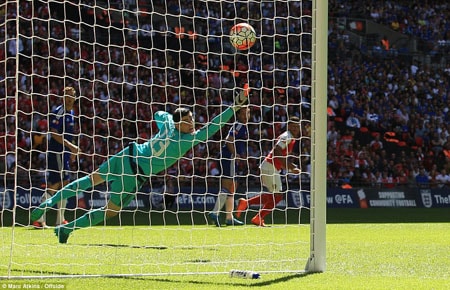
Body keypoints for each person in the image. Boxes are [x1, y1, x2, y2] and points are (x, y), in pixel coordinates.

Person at [31, 84, 249, 243]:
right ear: (181, 123)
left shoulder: (168, 125)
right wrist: (234, 107)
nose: (193, 123)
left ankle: (47, 204)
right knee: (110, 211)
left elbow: (158, 113)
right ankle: (66, 229)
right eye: (189, 120)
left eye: (192, 119)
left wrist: (169, 119)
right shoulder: (187, 140)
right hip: (135, 174)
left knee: (90, 180)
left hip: (127, 154)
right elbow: (213, 126)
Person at [236, 116, 301, 227]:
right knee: (277, 197)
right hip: (270, 167)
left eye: (297, 127)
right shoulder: (287, 136)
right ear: (288, 126)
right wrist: (290, 167)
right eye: (293, 126)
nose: (295, 129)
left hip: (271, 167)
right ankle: (253, 210)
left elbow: (280, 155)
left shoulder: (291, 138)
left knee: (275, 197)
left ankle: (251, 209)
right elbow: (276, 151)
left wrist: (290, 165)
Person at [33, 86, 80, 229]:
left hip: (64, 153)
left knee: (62, 184)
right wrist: (71, 147)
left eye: (72, 95)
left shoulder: (71, 112)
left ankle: (57, 219)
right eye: (67, 95)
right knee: (58, 184)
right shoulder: (58, 112)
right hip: (57, 152)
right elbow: (53, 133)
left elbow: (69, 135)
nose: (70, 98)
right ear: (63, 97)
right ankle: (41, 219)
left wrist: (71, 151)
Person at [208, 105, 250, 227]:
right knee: (228, 185)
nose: (245, 116)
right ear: (238, 115)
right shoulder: (239, 125)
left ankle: (229, 218)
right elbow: (229, 140)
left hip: (230, 158)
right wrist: (235, 154)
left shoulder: (243, 126)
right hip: (229, 157)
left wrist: (241, 155)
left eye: (247, 113)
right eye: (242, 114)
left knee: (233, 186)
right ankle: (215, 213)